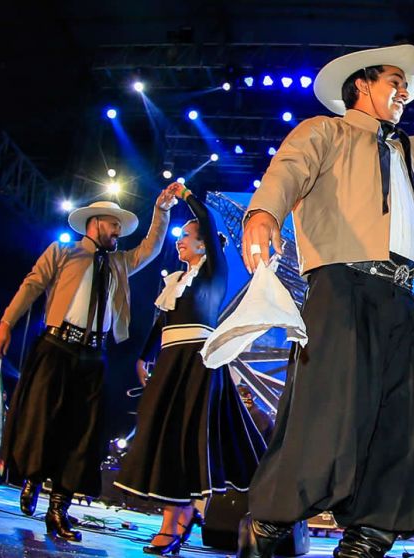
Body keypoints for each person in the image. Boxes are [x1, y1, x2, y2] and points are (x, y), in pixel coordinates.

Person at [235, 26, 414, 558]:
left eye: (407, 86)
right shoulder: (324, 132)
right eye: (395, 81)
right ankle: (269, 526)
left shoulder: (412, 152)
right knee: (326, 411)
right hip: (340, 287)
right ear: (361, 85)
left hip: (400, 296)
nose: (404, 92)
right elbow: (287, 172)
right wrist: (261, 215)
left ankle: (368, 537)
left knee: (408, 416)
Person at [0, 189, 174, 542]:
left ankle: (59, 509)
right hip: (56, 347)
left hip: (93, 356)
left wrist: (160, 211)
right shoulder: (64, 252)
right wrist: (5, 323)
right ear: (95, 224)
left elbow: (152, 246)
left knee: (82, 433)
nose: (117, 232)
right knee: (41, 419)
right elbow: (32, 285)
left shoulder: (120, 262)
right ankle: (32, 478)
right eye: (113, 225)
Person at [114, 182, 267, 555]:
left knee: (186, 438)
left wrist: (183, 196)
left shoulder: (213, 271)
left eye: (186, 237)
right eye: (180, 237)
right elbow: (159, 323)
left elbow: (208, 216)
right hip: (170, 362)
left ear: (204, 244)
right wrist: (142, 356)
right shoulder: (176, 281)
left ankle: (175, 522)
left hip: (198, 363)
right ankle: (180, 517)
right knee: (163, 435)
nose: (179, 242)